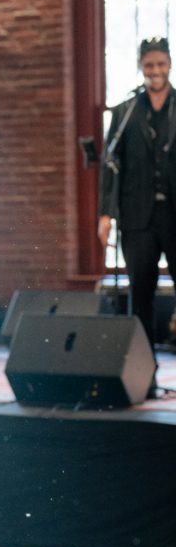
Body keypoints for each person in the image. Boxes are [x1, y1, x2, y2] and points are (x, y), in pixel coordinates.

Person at [99, 36, 176, 367]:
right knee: (140, 296)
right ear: (140, 68)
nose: (155, 71)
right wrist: (105, 213)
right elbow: (110, 162)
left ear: (170, 65)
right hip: (137, 218)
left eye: (160, 64)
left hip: (175, 216)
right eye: (149, 65)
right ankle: (145, 372)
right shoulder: (125, 112)